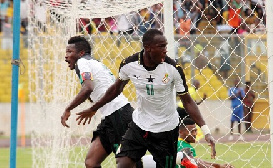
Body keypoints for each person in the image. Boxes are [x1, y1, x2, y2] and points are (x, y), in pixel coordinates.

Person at [76, 29, 216, 168]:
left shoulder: (173, 68)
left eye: (166, 46)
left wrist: (206, 131)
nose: (165, 50)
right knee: (123, 163)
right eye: (161, 46)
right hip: (140, 125)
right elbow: (115, 89)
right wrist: (94, 108)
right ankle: (180, 158)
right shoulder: (129, 64)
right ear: (148, 48)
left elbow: (188, 101)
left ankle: (180, 158)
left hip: (166, 129)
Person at [60, 36, 135, 168]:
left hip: (119, 115)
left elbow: (88, 87)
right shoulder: (94, 63)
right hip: (111, 117)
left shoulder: (82, 62)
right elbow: (95, 90)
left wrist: (68, 109)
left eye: (69, 52)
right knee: (91, 162)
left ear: (81, 53)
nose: (66, 56)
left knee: (127, 164)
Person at [141, 118, 234, 168]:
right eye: (191, 131)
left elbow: (196, 160)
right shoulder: (185, 147)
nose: (194, 134)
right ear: (181, 132)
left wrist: (218, 165)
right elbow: (196, 163)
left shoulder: (177, 143)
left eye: (195, 131)